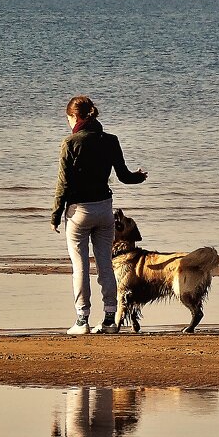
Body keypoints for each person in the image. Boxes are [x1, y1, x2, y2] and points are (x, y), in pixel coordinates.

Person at [49, 95, 146, 335]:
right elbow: (124, 176)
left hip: (79, 212)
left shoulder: (70, 143)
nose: (69, 123)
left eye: (69, 118)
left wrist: (55, 215)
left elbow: (63, 185)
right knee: (105, 265)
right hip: (104, 209)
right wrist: (138, 176)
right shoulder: (111, 140)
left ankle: (82, 320)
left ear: (75, 117)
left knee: (80, 267)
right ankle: (110, 319)